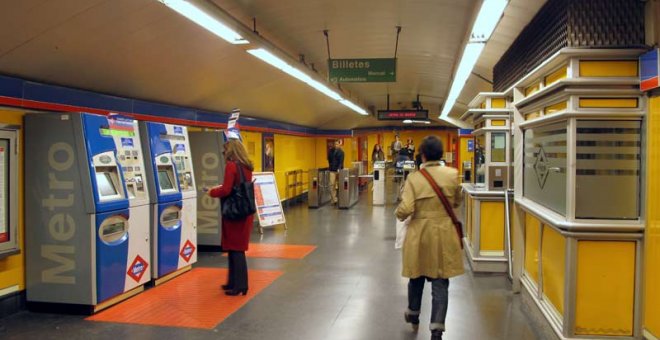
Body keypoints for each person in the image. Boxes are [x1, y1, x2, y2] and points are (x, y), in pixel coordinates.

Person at [395, 135, 464, 340]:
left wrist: (398, 213)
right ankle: (436, 329)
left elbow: (406, 209)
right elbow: (457, 201)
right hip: (444, 233)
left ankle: (414, 314)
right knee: (440, 281)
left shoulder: (414, 179)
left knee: (416, 276)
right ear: (440, 154)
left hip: (420, 235)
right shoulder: (452, 174)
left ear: (422, 155)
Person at [205, 139, 255, 296]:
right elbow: (236, 186)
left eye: (224, 151)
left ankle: (240, 285)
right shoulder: (246, 166)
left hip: (234, 213)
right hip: (244, 211)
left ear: (230, 151)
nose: (223, 154)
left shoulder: (231, 166)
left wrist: (211, 192)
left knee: (236, 249)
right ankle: (233, 282)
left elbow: (226, 190)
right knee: (235, 248)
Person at [328, 139, 344, 204]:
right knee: (332, 185)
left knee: (340, 184)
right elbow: (329, 159)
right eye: (335, 144)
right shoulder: (331, 151)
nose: (336, 145)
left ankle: (341, 198)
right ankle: (334, 199)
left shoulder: (341, 152)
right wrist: (330, 166)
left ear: (339, 144)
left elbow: (341, 161)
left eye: (337, 144)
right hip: (332, 170)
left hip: (339, 170)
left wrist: (339, 168)